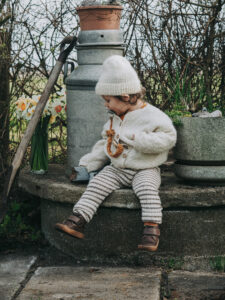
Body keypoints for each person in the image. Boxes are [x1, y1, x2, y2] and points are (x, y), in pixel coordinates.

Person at [55, 55, 177, 251]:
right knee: (97, 184)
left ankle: (151, 231)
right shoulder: (115, 118)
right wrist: (88, 165)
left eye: (108, 100)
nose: (106, 105)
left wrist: (137, 139)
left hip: (145, 169)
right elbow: (106, 144)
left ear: (125, 96)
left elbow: (168, 139)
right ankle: (77, 220)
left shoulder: (153, 116)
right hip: (118, 169)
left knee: (147, 190)